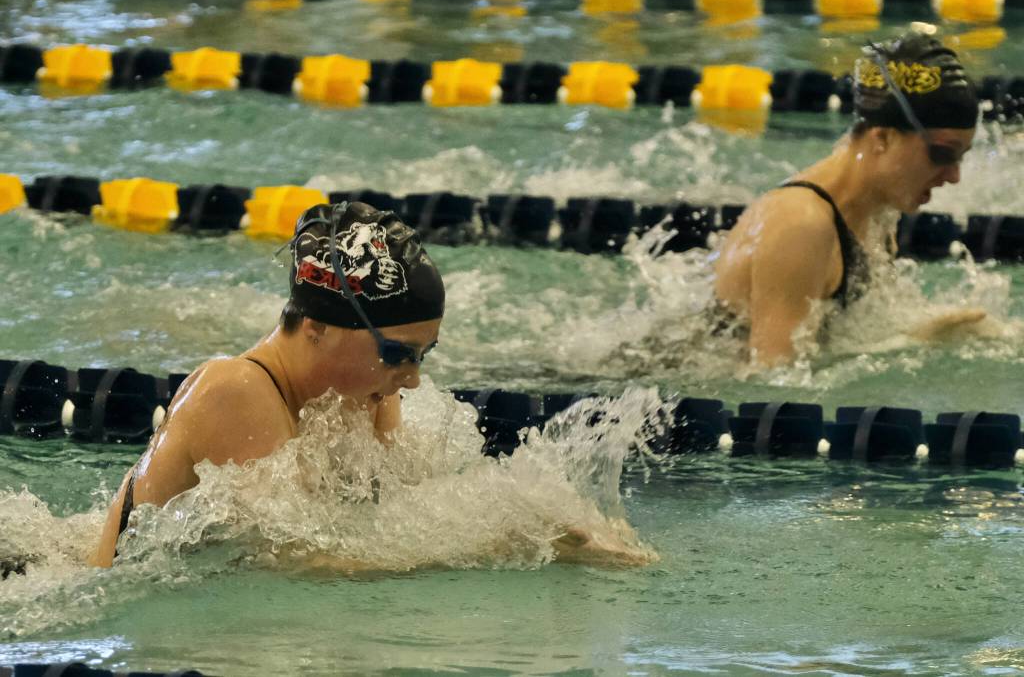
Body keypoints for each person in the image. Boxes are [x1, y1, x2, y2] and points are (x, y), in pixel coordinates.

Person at [89, 202, 646, 569]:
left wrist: (549, 517)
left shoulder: (358, 402)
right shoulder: (234, 390)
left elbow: (416, 507)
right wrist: (503, 545)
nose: (413, 378)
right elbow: (296, 561)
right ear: (317, 327)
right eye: (396, 354)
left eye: (423, 355)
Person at [713, 28, 990, 367]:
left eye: (961, 158)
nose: (954, 176)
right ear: (883, 138)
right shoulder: (800, 222)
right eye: (942, 154)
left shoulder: (878, 208)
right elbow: (771, 380)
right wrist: (911, 342)